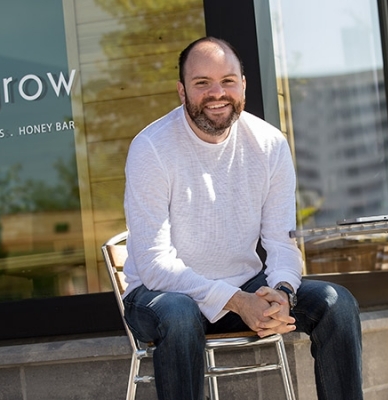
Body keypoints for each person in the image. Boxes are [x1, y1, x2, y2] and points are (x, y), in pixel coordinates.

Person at [121, 36, 363, 400]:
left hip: (244, 286)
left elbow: (281, 241)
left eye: (228, 81)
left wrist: (282, 292)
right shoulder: (151, 148)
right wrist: (237, 301)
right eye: (202, 83)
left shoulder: (269, 144)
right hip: (160, 296)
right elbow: (155, 265)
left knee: (336, 303)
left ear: (243, 85)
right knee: (180, 314)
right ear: (182, 91)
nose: (217, 93)